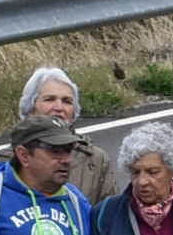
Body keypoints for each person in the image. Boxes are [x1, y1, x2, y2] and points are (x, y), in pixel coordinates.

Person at [18, 68, 118, 205]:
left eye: (67, 101)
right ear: (30, 108)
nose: (59, 107)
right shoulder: (4, 162)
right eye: (49, 99)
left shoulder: (96, 160)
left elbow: (110, 213)